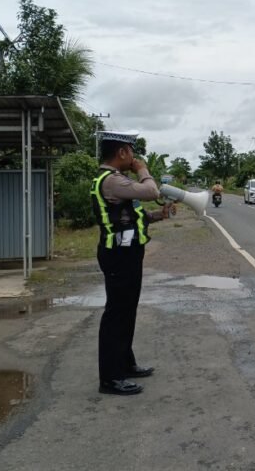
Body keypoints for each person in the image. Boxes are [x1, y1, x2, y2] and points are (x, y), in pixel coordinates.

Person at [90, 131, 174, 396]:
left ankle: (125, 364)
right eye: (131, 152)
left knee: (127, 311)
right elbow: (150, 190)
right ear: (123, 152)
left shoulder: (117, 181)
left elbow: (131, 214)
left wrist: (158, 215)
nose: (135, 157)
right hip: (118, 254)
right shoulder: (112, 180)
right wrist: (143, 169)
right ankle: (111, 378)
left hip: (125, 252)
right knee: (117, 314)